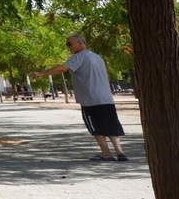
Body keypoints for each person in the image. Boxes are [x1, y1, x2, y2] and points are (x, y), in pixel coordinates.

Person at [31, 33, 129, 162]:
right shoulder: (97, 57)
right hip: (106, 99)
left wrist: (41, 73)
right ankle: (120, 152)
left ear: (80, 43)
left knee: (96, 128)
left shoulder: (79, 57)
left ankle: (106, 154)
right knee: (111, 125)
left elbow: (62, 69)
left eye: (70, 44)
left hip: (90, 100)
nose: (69, 47)